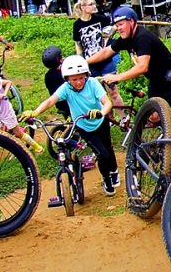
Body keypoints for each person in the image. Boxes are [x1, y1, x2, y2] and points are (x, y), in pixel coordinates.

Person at [24, 55, 120, 199]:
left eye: (81, 78)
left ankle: (114, 171)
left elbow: (107, 103)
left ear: (86, 75)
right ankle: (106, 178)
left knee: (108, 148)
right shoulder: (66, 89)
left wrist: (100, 113)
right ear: (67, 79)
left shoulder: (93, 83)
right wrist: (35, 112)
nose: (78, 82)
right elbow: (51, 101)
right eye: (74, 79)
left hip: (100, 122)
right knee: (102, 154)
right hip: (83, 126)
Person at [100, 6, 171, 130]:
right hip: (156, 79)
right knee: (154, 115)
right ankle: (167, 141)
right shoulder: (126, 39)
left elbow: (142, 67)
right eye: (116, 25)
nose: (118, 28)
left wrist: (117, 77)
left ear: (131, 21)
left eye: (121, 24)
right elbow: (106, 52)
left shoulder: (142, 37)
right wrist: (84, 62)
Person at [72, 0, 123, 107]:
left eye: (94, 3)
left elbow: (114, 26)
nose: (94, 6)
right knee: (100, 95)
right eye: (91, 4)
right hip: (91, 63)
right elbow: (78, 45)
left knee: (113, 92)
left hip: (105, 60)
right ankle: (108, 120)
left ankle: (123, 119)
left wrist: (109, 35)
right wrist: (80, 61)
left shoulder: (101, 19)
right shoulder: (77, 25)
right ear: (83, 7)